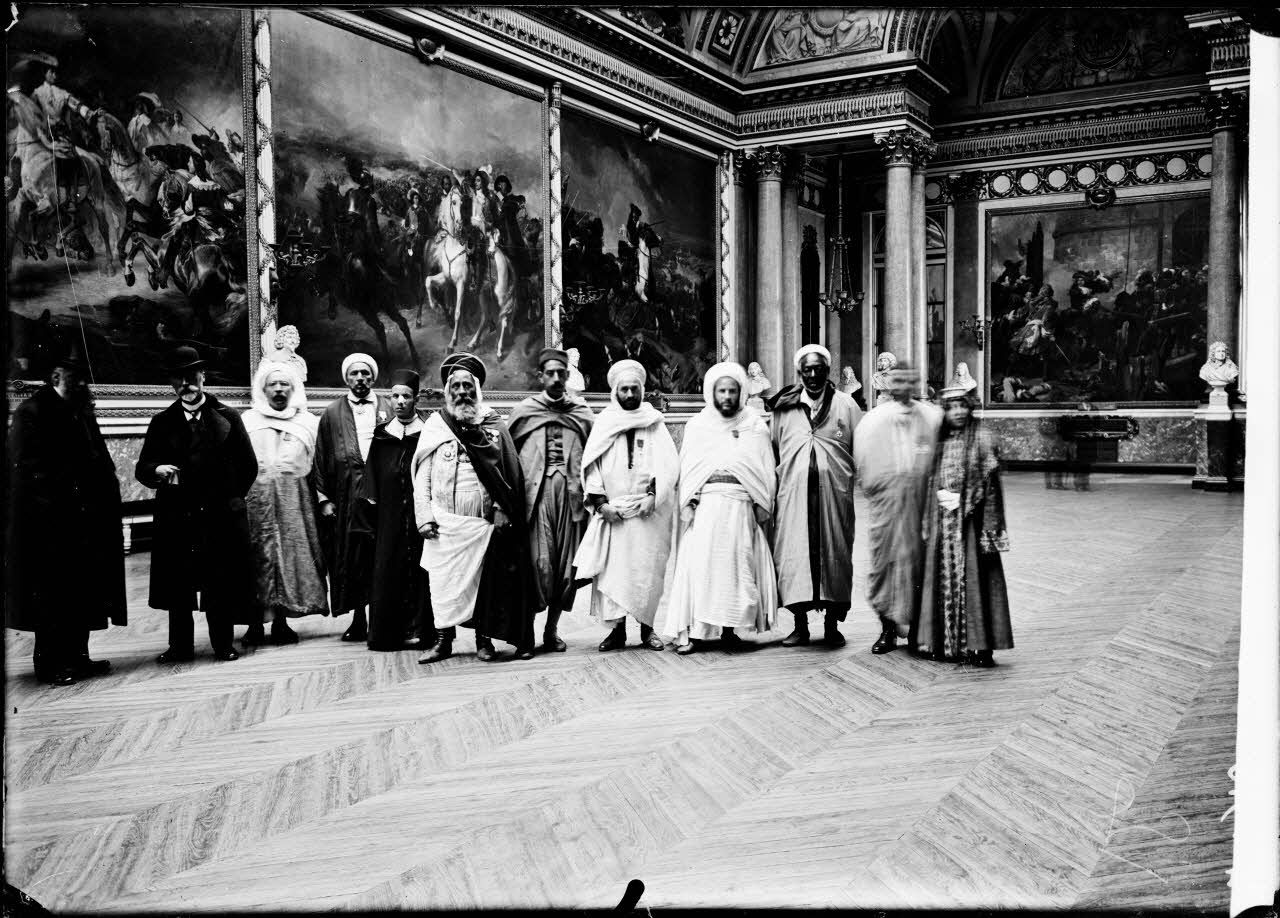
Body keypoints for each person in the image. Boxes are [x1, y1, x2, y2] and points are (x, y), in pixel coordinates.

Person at [6, 345, 126, 686]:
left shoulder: (81, 411)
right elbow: (25, 471)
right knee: (52, 598)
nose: (82, 383)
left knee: (83, 592)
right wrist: (57, 502)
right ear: (56, 376)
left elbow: (99, 460)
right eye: (75, 377)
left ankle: (79, 658)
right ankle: (49, 665)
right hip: (50, 527)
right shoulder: (32, 412)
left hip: (85, 522)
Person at [135, 346, 257, 663]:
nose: (186, 384)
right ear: (173, 384)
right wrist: (156, 471)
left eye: (191, 376)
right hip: (177, 518)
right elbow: (143, 468)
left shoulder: (229, 418)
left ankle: (223, 644)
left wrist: (230, 500)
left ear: (202, 377)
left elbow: (249, 466)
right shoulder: (161, 423)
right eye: (179, 379)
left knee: (220, 583)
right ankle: (180, 647)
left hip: (218, 518)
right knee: (179, 587)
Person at [413, 353, 535, 663]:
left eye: (468, 386)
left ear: (477, 391)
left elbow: (507, 472)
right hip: (443, 522)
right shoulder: (436, 426)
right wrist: (424, 516)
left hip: (481, 523)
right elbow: (422, 476)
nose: (462, 392)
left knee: (484, 585)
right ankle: (443, 641)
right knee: (441, 584)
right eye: (456, 387)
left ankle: (484, 641)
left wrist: (500, 506)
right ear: (447, 391)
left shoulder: (493, 422)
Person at [657, 362, 777, 655]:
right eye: (721, 390)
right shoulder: (699, 426)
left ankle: (729, 630)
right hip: (708, 506)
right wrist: (691, 500)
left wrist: (762, 501)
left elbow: (764, 468)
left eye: (732, 391)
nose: (727, 396)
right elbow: (690, 468)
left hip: (740, 506)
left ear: (741, 393)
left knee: (737, 568)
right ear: (712, 392)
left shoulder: (754, 425)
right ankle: (697, 633)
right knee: (702, 567)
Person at [572, 359, 679, 652]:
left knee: (647, 572)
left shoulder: (654, 421)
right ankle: (616, 633)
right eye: (624, 390)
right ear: (614, 392)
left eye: (635, 389)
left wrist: (652, 497)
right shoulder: (604, 422)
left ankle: (647, 629)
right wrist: (601, 503)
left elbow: (668, 466)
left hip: (647, 512)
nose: (630, 395)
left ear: (642, 390)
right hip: (614, 513)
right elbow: (591, 466)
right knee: (613, 573)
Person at [768, 344, 863, 648]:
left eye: (818, 369)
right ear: (799, 372)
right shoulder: (783, 409)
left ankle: (832, 626)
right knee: (794, 557)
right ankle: (800, 626)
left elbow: (859, 448)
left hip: (834, 498)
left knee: (835, 554)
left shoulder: (846, 405)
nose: (812, 375)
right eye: (806, 370)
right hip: (793, 498)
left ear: (827, 371)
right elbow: (772, 451)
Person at [917, 375, 1013, 666]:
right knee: (940, 580)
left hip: (971, 524)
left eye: (961, 406)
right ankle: (944, 643)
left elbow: (992, 488)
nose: (957, 412)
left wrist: (984, 522)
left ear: (969, 407)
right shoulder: (939, 441)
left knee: (977, 582)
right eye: (951, 407)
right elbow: (929, 479)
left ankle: (980, 646)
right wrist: (933, 505)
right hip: (943, 523)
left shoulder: (982, 439)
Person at [506, 348, 596, 657]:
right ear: (540, 376)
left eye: (562, 373)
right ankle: (527, 633)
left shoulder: (582, 414)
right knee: (537, 565)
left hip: (572, 503)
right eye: (550, 373)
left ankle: (551, 630)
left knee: (564, 570)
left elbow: (597, 457)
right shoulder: (524, 411)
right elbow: (506, 460)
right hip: (537, 500)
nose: (556, 378)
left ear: (568, 376)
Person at [853, 361, 943, 655]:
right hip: (887, 506)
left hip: (921, 506)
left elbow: (939, 459)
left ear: (916, 384)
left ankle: (919, 630)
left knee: (919, 566)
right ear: (890, 384)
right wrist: (885, 489)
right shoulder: (874, 420)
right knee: (885, 565)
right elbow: (864, 463)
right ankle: (887, 629)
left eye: (909, 381)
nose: (903, 387)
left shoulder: (932, 417)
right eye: (898, 381)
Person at [241, 360, 329, 646]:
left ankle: (281, 621)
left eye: (284, 384)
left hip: (295, 506)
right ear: (262, 389)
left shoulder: (308, 424)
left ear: (294, 388)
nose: (279, 390)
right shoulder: (246, 422)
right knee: (256, 560)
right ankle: (255, 623)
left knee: (289, 561)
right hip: (256, 506)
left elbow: (319, 466)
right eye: (272, 384)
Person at [313, 353, 391, 642]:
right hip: (347, 498)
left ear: (373, 377)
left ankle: (382, 619)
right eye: (354, 374)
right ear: (346, 378)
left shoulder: (387, 407)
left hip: (383, 498)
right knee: (354, 558)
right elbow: (321, 457)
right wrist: (324, 499)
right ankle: (359, 619)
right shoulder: (332, 413)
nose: (360, 378)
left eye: (365, 373)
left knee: (381, 557)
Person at [357, 369, 434, 652]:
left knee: (419, 570)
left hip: (418, 515)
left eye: (406, 396)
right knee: (388, 569)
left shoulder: (427, 433)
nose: (400, 401)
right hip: (389, 516)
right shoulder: (382, 435)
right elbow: (372, 477)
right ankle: (388, 634)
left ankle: (420, 632)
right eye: (395, 396)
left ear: (416, 399)